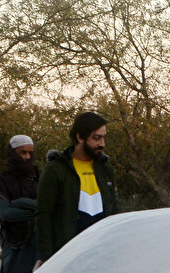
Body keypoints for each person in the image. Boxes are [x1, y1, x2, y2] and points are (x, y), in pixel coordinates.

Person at [34, 111, 118, 264]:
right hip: (66, 257)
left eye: (104, 137)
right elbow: (43, 215)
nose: (102, 144)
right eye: (96, 138)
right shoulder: (56, 169)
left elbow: (114, 210)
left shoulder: (106, 169)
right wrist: (46, 257)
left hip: (102, 255)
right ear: (80, 137)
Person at [0, 134, 39, 273]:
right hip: (13, 241)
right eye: (22, 153)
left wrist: (20, 202)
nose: (27, 157)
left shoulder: (39, 176)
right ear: (13, 153)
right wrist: (36, 209)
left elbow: (50, 206)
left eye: (30, 153)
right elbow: (6, 213)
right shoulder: (2, 180)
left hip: (38, 240)